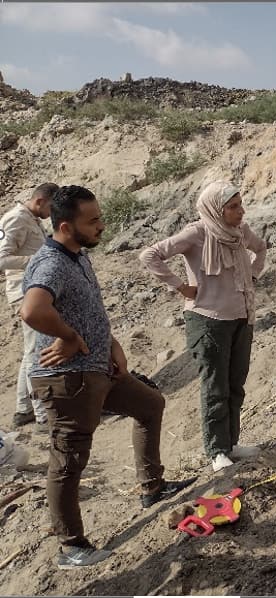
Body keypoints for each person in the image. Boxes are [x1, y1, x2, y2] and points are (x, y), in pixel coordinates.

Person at [20, 185, 195, 569]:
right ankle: (72, 547)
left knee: (150, 406)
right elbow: (32, 311)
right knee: (68, 462)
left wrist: (111, 344)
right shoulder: (51, 263)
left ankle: (152, 487)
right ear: (66, 226)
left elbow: (87, 309)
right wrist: (69, 337)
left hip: (99, 369)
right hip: (67, 380)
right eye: (93, 220)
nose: (102, 225)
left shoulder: (77, 255)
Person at [139, 180, 266, 472]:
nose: (241, 211)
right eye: (233, 207)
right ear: (216, 209)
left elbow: (260, 250)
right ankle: (217, 450)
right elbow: (150, 255)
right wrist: (181, 287)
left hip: (241, 318)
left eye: (240, 204)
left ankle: (231, 443)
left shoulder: (239, 232)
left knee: (235, 384)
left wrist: (253, 277)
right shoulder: (198, 232)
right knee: (215, 386)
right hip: (208, 321)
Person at [0, 183, 56, 430]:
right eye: (52, 206)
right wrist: (37, 259)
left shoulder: (31, 218)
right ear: (41, 200)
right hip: (25, 292)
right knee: (36, 351)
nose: (53, 213)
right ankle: (42, 414)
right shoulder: (16, 219)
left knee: (31, 350)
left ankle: (23, 409)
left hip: (33, 289)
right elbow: (1, 258)